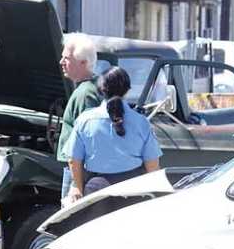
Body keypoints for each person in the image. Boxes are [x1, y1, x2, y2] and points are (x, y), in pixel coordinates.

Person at [66, 66, 162, 202]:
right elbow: (152, 165)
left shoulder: (84, 121)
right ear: (128, 89)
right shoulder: (141, 122)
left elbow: (73, 160)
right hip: (135, 192)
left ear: (100, 90)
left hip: (96, 193)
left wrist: (78, 188)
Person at [56, 33, 102, 201]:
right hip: (80, 169)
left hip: (78, 171)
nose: (61, 62)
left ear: (83, 63)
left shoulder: (85, 94)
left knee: (70, 221)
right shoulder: (92, 88)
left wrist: (76, 184)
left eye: (66, 58)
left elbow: (86, 141)